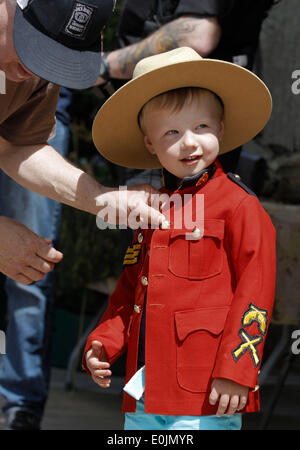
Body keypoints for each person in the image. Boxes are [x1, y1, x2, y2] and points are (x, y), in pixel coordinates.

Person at [83, 47, 276, 430]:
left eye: (201, 127)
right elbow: (132, 291)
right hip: (144, 392)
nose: (189, 142)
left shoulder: (240, 206)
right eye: (172, 132)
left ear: (221, 129)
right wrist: (103, 342)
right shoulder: (151, 209)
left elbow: (257, 290)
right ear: (150, 144)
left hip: (206, 395)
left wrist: (238, 368)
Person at [0, 0, 166, 286]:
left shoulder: (31, 68)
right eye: (32, 43)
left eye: (52, 54)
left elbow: (16, 146)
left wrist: (101, 199)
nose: (31, 68)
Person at [0, 87, 72, 430]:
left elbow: (17, 147)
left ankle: (20, 401)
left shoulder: (37, 77)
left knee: (30, 270)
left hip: (38, 125)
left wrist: (100, 199)